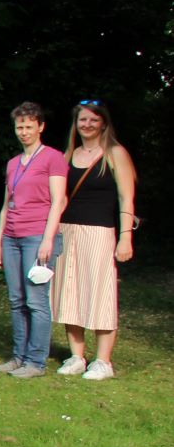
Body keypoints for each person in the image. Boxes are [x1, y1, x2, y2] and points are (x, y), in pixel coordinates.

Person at [52, 100, 135, 380]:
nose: (87, 125)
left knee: (100, 292)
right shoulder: (69, 154)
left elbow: (126, 198)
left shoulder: (115, 153)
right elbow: (58, 197)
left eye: (93, 120)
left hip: (99, 232)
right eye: (82, 120)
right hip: (67, 230)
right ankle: (76, 355)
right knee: (69, 290)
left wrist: (125, 238)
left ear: (103, 123)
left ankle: (103, 361)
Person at [0, 102, 68, 378]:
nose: (23, 132)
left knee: (36, 301)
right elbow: (5, 205)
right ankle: (18, 356)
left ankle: (36, 361)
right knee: (16, 299)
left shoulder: (53, 158)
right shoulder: (14, 163)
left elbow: (58, 201)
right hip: (11, 236)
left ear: (40, 127)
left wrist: (48, 240)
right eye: (19, 127)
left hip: (37, 236)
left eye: (28, 126)